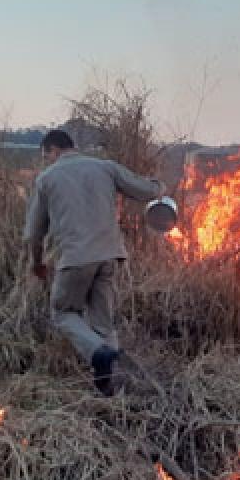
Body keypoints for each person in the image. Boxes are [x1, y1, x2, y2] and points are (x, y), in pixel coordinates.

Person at [23, 129, 165, 395]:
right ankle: (110, 385)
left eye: (47, 156)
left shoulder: (47, 179)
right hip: (110, 254)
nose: (47, 161)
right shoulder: (106, 168)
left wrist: (36, 262)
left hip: (75, 257)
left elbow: (33, 233)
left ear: (53, 150)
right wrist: (160, 187)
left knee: (63, 313)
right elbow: (146, 190)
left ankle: (98, 354)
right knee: (104, 322)